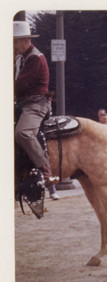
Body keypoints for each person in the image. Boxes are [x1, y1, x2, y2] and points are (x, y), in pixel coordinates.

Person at [14, 21, 58, 186]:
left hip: (36, 104)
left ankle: (46, 170)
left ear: (26, 40)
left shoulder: (35, 58)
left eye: (16, 42)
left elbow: (19, 85)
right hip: (24, 103)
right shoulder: (22, 57)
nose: (14, 45)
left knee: (23, 133)